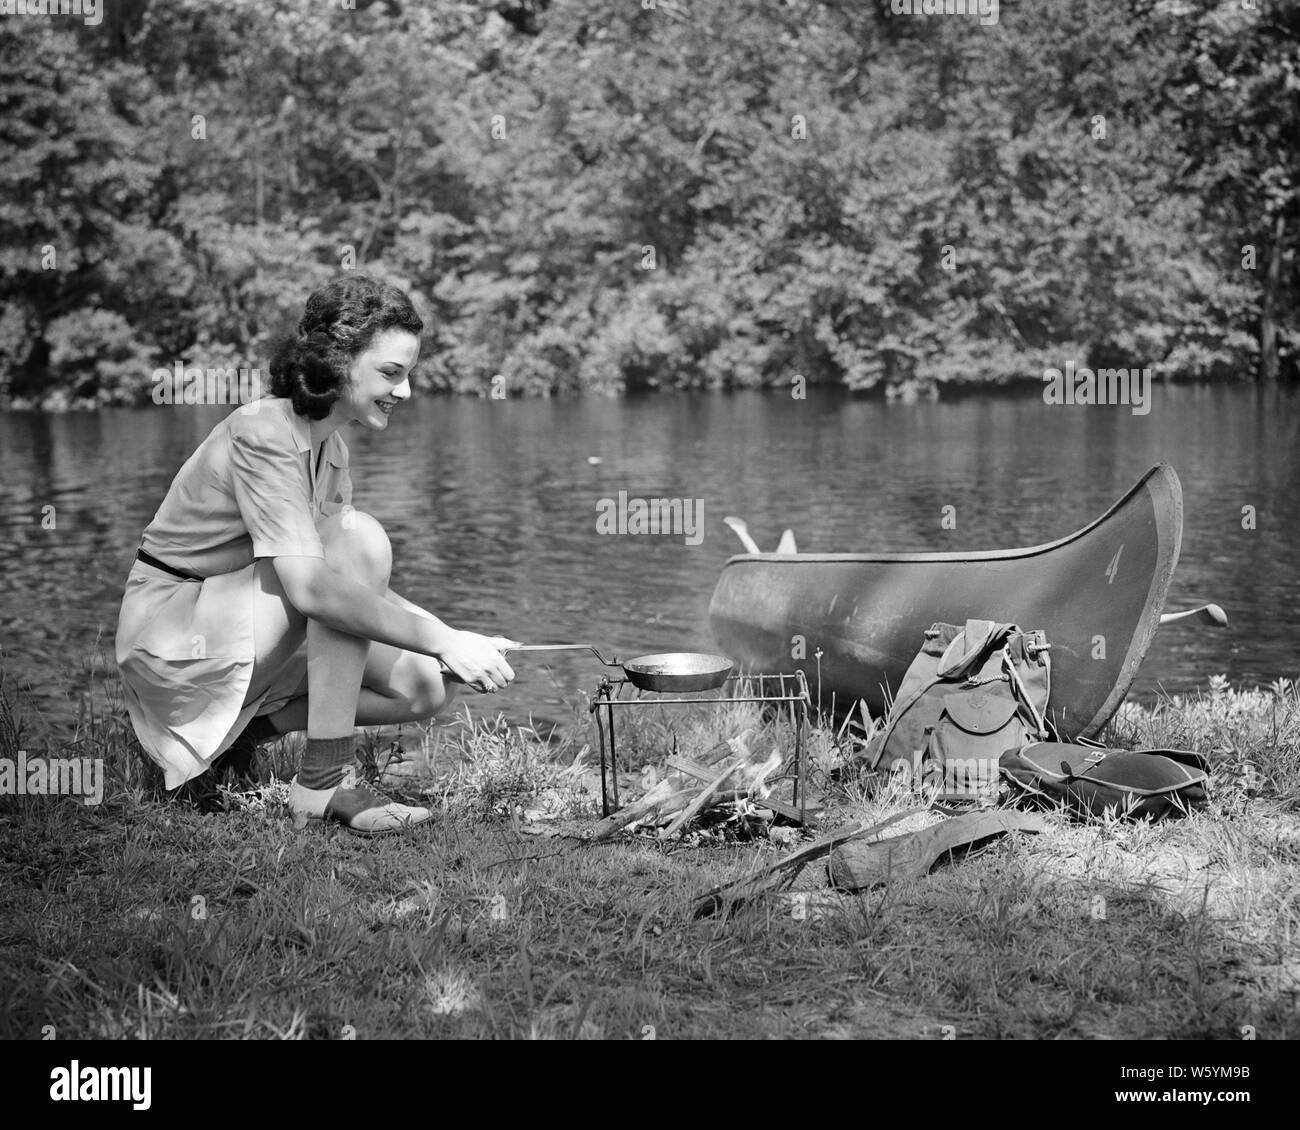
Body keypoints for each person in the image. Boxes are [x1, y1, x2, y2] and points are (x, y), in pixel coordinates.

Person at [115, 275, 516, 835]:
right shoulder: (264, 431)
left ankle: (244, 738)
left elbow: (350, 586)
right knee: (361, 539)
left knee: (427, 686)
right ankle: (322, 783)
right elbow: (313, 589)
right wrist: (443, 639)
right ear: (336, 361)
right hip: (174, 634)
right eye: (391, 373)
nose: (404, 392)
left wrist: (456, 639)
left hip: (246, 619)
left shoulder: (331, 445)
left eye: (408, 375)